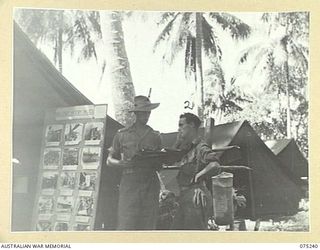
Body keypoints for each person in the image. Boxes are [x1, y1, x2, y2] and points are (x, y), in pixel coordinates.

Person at [172, 112, 248, 230]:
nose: (179, 128)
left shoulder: (201, 147)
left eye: (182, 125)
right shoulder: (186, 148)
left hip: (196, 196)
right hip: (185, 196)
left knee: (194, 236)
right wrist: (177, 141)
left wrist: (198, 176)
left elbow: (215, 165)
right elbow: (170, 158)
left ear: (191, 125)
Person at [107, 95, 162, 230]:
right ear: (136, 113)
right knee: (126, 222)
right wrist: (121, 164)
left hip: (150, 183)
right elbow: (109, 160)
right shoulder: (121, 134)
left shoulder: (155, 136)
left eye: (148, 112)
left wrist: (158, 161)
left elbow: (160, 164)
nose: (147, 115)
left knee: (148, 224)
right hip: (130, 183)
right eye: (144, 112)